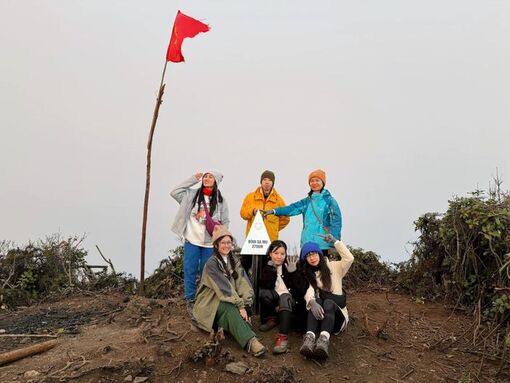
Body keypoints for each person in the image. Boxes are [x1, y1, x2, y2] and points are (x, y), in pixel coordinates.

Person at [192, 226, 266, 357]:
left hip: (227, 300)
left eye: (229, 242)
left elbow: (243, 282)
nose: (226, 245)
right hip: (209, 304)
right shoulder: (211, 264)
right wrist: (240, 305)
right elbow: (224, 289)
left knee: (234, 308)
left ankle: (239, 329)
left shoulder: (234, 261)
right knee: (230, 308)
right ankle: (251, 342)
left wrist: (247, 303)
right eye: (223, 243)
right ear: (216, 245)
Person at [170, 171, 229, 314]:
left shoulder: (221, 201)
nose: (207, 179)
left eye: (211, 177)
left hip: (209, 244)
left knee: (206, 273)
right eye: (205, 176)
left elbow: (226, 221)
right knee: (190, 270)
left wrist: (222, 239)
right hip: (192, 240)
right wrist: (192, 179)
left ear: (216, 181)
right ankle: (190, 299)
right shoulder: (191, 195)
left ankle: (203, 300)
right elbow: (174, 192)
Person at [262, 169, 341, 257]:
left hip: (323, 244)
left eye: (317, 180)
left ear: (323, 182)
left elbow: (336, 221)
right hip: (307, 243)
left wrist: (335, 241)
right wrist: (274, 211)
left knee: (322, 269)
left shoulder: (330, 201)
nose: (314, 183)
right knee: (305, 270)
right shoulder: (306, 201)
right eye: (312, 181)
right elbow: (291, 208)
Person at [299, 235, 354, 359]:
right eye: (308, 255)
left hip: (338, 318)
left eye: (314, 253)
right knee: (316, 300)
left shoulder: (335, 267)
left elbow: (349, 258)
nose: (312, 258)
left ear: (319, 254)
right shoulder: (311, 275)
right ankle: (309, 338)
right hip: (322, 318)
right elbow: (310, 290)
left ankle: (324, 341)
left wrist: (335, 242)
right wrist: (311, 302)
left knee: (328, 301)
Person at [259, 240, 309, 354]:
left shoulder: (290, 265)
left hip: (291, 304)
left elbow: (302, 289)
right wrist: (271, 270)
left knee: (285, 296)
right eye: (276, 253)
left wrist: (294, 273)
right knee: (264, 293)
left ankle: (282, 339)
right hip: (276, 303)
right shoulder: (267, 266)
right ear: (270, 253)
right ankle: (272, 319)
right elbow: (265, 285)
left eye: (282, 254)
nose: (279, 257)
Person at [239, 170, 290, 274]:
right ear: (261, 182)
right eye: (264, 180)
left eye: (270, 180)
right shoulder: (250, 197)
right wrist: (252, 212)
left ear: (273, 183)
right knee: (244, 268)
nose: (267, 182)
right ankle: (246, 289)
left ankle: (262, 290)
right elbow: (243, 213)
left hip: (269, 242)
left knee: (265, 270)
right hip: (252, 241)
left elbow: (286, 219)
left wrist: (274, 228)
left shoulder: (278, 200)